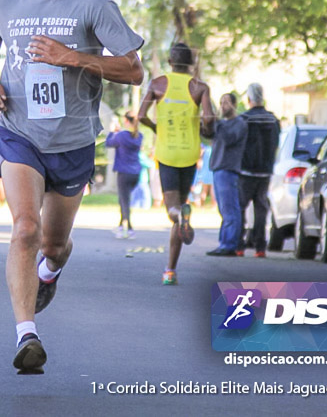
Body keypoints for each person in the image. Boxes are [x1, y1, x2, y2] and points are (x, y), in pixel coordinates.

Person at [0, 0, 144, 374]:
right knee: (25, 228)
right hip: (18, 132)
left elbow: (133, 69)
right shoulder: (4, 4)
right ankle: (27, 335)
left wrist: (74, 57)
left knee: (53, 243)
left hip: (72, 143)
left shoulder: (93, 5)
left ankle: (50, 271)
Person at [138, 42, 214, 286]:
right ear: (191, 63)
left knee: (173, 210)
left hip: (167, 154)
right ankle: (170, 270)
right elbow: (209, 117)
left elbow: (140, 116)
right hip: (190, 154)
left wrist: (156, 128)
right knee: (181, 208)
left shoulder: (158, 84)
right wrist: (205, 128)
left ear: (170, 62)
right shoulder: (200, 87)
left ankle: (180, 214)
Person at [236, 83, 281, 257]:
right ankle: (260, 248)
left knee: (241, 207)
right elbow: (276, 143)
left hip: (246, 171)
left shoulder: (244, 118)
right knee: (261, 208)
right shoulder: (273, 120)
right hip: (265, 171)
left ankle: (239, 246)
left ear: (248, 99)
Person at [206, 92, 249, 257]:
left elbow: (229, 139)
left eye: (226, 103)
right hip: (217, 168)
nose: (222, 106)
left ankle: (229, 244)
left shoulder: (239, 124)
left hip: (228, 169)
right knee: (223, 209)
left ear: (234, 105)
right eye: (221, 102)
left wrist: (218, 123)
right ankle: (223, 242)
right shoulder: (221, 124)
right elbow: (208, 133)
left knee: (230, 209)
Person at [105, 112, 143, 238]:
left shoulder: (120, 136)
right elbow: (125, 138)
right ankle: (121, 225)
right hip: (135, 172)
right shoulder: (139, 136)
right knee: (123, 199)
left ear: (126, 121)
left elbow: (109, 143)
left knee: (124, 201)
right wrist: (118, 132)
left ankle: (129, 228)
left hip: (124, 172)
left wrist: (112, 131)